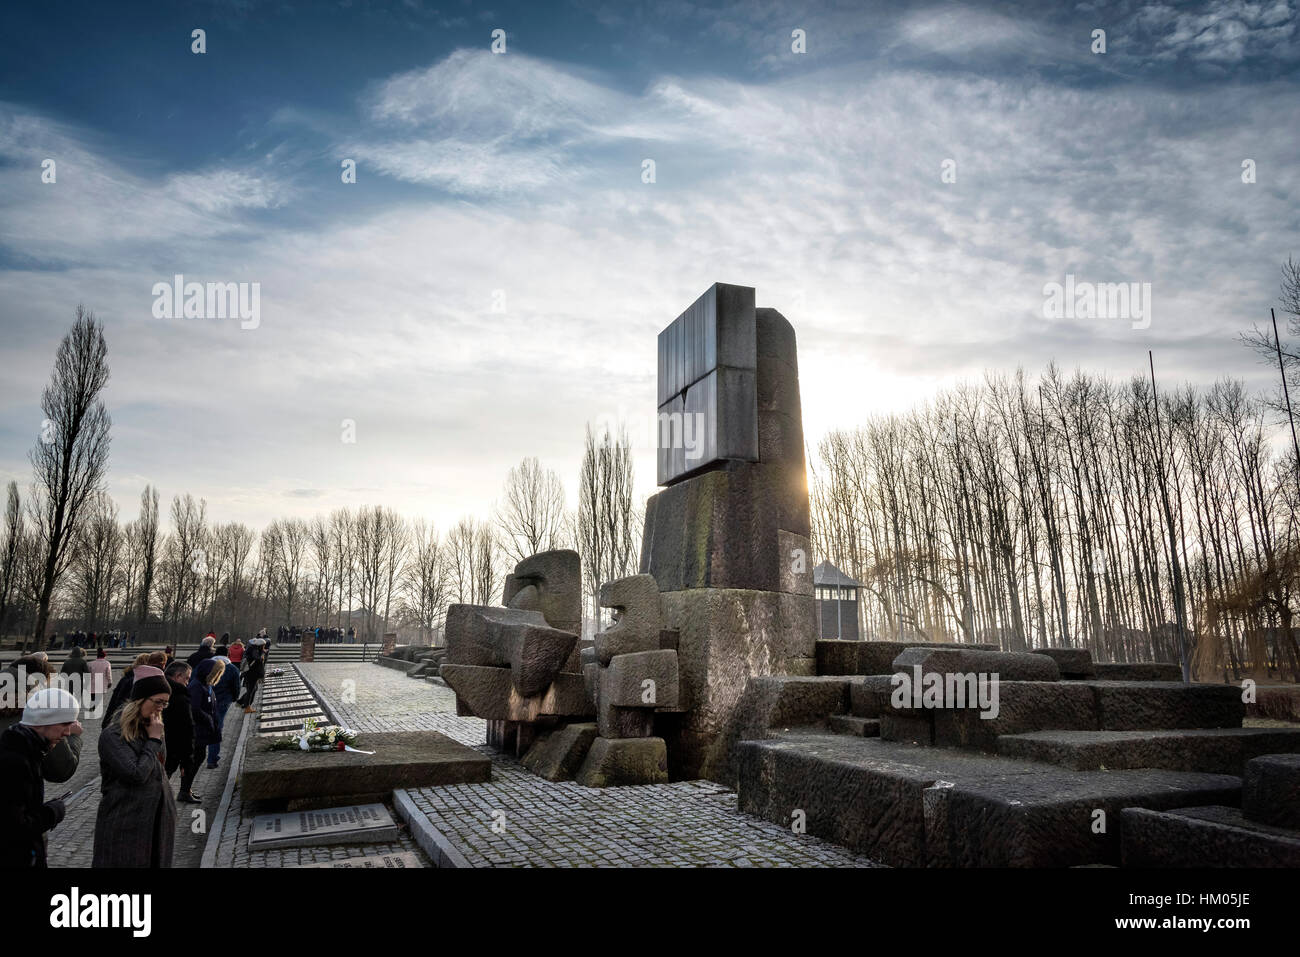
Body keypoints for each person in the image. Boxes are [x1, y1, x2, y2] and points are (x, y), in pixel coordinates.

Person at [92, 665, 175, 868]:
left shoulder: (152, 728)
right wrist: (154, 740)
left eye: (165, 704)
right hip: (125, 823)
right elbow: (136, 774)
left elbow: (161, 765)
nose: (160, 708)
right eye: (157, 702)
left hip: (158, 819)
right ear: (140, 700)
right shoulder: (113, 735)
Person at [0, 687, 80, 868]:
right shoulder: (14, 761)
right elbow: (15, 827)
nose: (68, 732)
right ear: (44, 721)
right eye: (65, 724)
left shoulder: (27, 749)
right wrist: (53, 811)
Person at [179, 658, 223, 802]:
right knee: (194, 760)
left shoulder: (205, 685)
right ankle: (184, 791)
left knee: (198, 758)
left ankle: (186, 789)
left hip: (203, 730)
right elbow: (195, 708)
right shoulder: (197, 686)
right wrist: (208, 718)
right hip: (197, 730)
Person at [161, 662, 194, 790]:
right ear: (178, 676)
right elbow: (187, 730)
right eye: (186, 678)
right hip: (171, 750)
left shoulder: (154, 688)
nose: (187, 683)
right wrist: (187, 761)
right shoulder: (180, 697)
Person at [206, 656, 240, 767]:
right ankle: (212, 759)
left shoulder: (206, 666)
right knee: (217, 727)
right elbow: (236, 686)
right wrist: (235, 697)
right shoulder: (232, 668)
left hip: (206, 699)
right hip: (223, 701)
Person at [103, 652, 151, 724]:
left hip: (122, 714)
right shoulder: (145, 680)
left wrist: (106, 721)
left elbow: (114, 700)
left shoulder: (126, 677)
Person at [239, 633, 266, 713]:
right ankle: (247, 706)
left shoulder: (253, 650)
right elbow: (258, 662)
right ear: (260, 645)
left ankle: (242, 703)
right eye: (263, 645)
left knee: (253, 689)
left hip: (251, 674)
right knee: (250, 690)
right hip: (252, 674)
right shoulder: (255, 652)